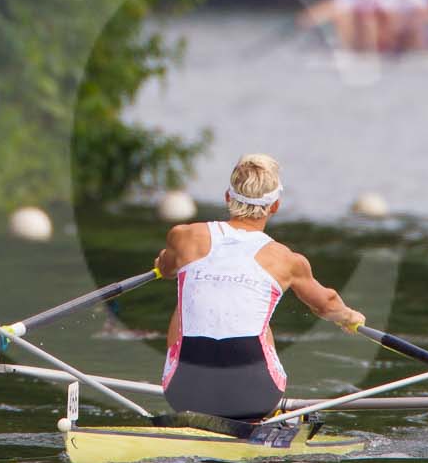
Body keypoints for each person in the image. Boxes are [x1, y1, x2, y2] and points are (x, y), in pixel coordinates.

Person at [152, 153, 367, 421]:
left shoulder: (183, 236)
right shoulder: (288, 261)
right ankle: (261, 417)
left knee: (187, 298)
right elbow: (327, 304)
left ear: (228, 198)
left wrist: (164, 261)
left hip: (184, 393)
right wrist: (349, 317)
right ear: (275, 206)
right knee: (260, 318)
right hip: (255, 395)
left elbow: (168, 268)